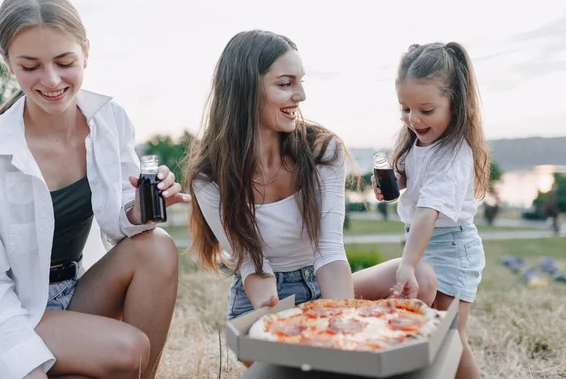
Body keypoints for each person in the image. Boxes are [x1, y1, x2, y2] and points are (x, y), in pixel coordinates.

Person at [0, 0, 190, 379]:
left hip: (76, 289)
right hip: (10, 310)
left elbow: (117, 217)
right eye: (30, 66)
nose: (51, 80)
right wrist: (24, 366)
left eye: (65, 61)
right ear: (6, 61)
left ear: (86, 50)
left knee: (156, 247)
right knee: (128, 348)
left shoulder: (108, 119)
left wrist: (137, 208)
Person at [185, 30, 437, 329]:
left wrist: (342, 324)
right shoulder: (209, 176)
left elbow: (329, 249)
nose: (301, 95)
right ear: (245, 89)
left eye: (300, 82)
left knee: (421, 275)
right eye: (285, 84)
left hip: (322, 283)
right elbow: (253, 265)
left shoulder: (322, 151)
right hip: (264, 298)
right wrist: (275, 314)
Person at [372, 42, 489, 379]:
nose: (413, 119)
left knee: (449, 332)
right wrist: (394, 181)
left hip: (452, 248)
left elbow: (427, 213)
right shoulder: (419, 142)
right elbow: (413, 180)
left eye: (426, 110)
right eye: (405, 109)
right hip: (426, 244)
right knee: (430, 332)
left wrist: (407, 263)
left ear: (456, 104)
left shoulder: (454, 154)